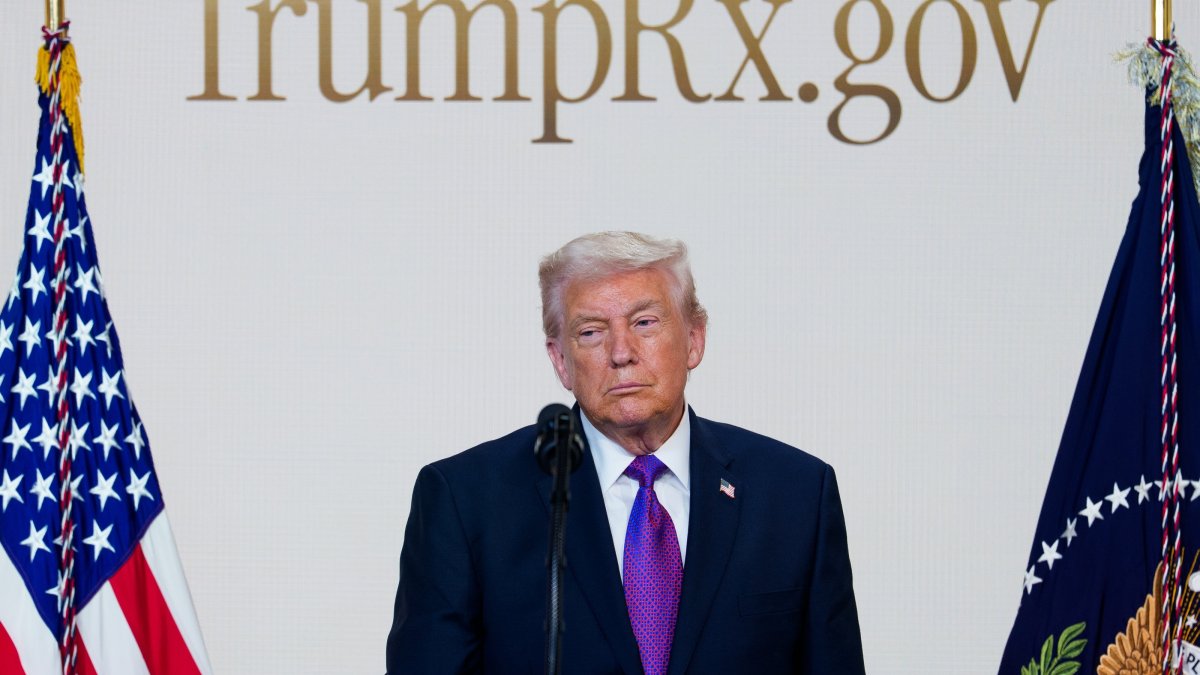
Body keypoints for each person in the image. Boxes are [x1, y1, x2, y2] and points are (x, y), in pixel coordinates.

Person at [385, 232, 865, 674]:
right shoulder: (466, 500)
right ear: (560, 360)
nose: (622, 352)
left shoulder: (795, 492)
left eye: (645, 322)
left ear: (694, 339)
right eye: (591, 332)